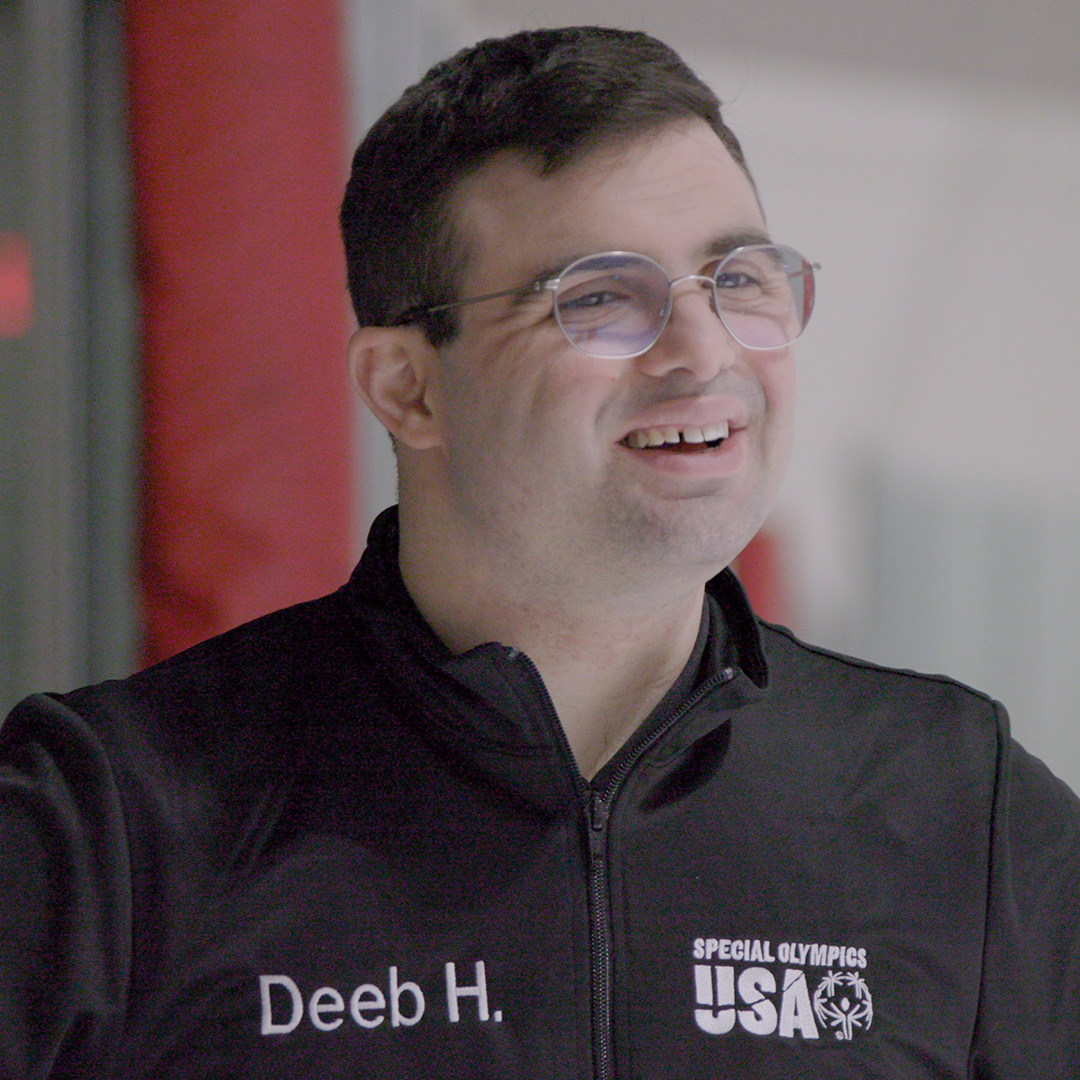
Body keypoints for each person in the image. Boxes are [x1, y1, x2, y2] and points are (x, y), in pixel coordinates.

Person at [1, 25, 1078, 1080]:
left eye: (741, 278)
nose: (703, 351)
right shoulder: (114, 823)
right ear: (409, 388)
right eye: (601, 298)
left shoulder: (959, 809)